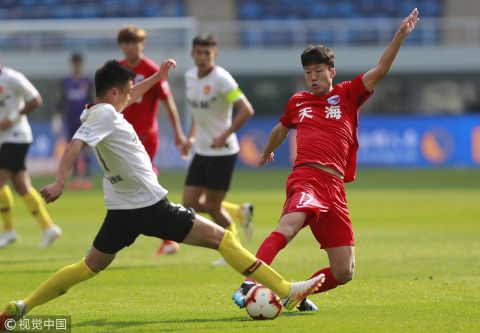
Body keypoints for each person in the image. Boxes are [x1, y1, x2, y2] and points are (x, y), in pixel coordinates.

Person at [0, 59, 325, 327]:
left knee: (88, 266)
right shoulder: (105, 115)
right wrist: (60, 181)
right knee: (224, 240)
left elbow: (127, 98)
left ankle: (21, 307)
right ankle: (286, 289)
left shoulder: (98, 110)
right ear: (114, 92)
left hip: (121, 211)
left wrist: (157, 76)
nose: (131, 96)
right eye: (126, 92)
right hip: (150, 207)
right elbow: (74, 146)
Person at [232, 9, 420, 311]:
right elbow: (282, 128)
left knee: (345, 271)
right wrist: (268, 150)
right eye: (308, 72)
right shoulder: (298, 101)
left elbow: (381, 69)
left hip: (334, 186)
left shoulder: (347, 94)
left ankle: (294, 294)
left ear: (331, 71)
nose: (313, 77)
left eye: (319, 70)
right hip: (306, 177)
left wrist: (400, 34)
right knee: (290, 225)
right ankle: (250, 282)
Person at [163, 33, 254, 265]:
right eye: (199, 53)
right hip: (202, 151)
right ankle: (240, 214)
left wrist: (224, 134)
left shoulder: (223, 79)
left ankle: (233, 249)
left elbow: (246, 110)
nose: (202, 57)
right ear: (193, 53)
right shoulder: (190, 76)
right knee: (189, 203)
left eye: (207, 53)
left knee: (213, 206)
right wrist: (191, 138)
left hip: (223, 152)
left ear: (215, 54)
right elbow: (197, 113)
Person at [117, 25, 186, 255]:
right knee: (131, 183)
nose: (130, 46)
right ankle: (168, 235)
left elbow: (168, 102)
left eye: (134, 42)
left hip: (146, 135)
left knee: (144, 180)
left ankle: (168, 236)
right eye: (126, 42)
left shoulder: (151, 69)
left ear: (142, 44)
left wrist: (178, 132)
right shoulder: (118, 69)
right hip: (123, 136)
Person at [0, 56, 62, 249]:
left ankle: (9, 230)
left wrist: (12, 117)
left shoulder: (12, 78)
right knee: (22, 187)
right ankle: (48, 227)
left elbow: (35, 99)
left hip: (17, 136)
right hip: (5, 139)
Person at [55, 52, 94, 190]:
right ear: (72, 64)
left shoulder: (88, 81)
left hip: (85, 120)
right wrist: (57, 117)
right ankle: (76, 177)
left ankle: (87, 176)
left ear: (81, 64)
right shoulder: (66, 82)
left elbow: (92, 100)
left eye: (79, 63)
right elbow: (61, 101)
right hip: (71, 120)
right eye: (75, 63)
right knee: (73, 148)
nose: (77, 65)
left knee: (86, 149)